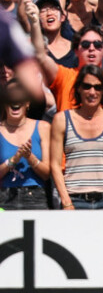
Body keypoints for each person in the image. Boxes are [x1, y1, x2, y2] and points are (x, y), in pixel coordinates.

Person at [49, 64, 103, 210]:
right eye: (87, 86)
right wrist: (66, 202)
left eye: (98, 87)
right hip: (74, 199)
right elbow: (55, 164)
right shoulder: (62, 119)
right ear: (78, 88)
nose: (92, 92)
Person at [0, 78, 50, 209]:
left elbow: (47, 174)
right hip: (4, 197)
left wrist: (30, 157)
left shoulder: (43, 128)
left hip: (36, 196)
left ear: (28, 102)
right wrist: (13, 160)